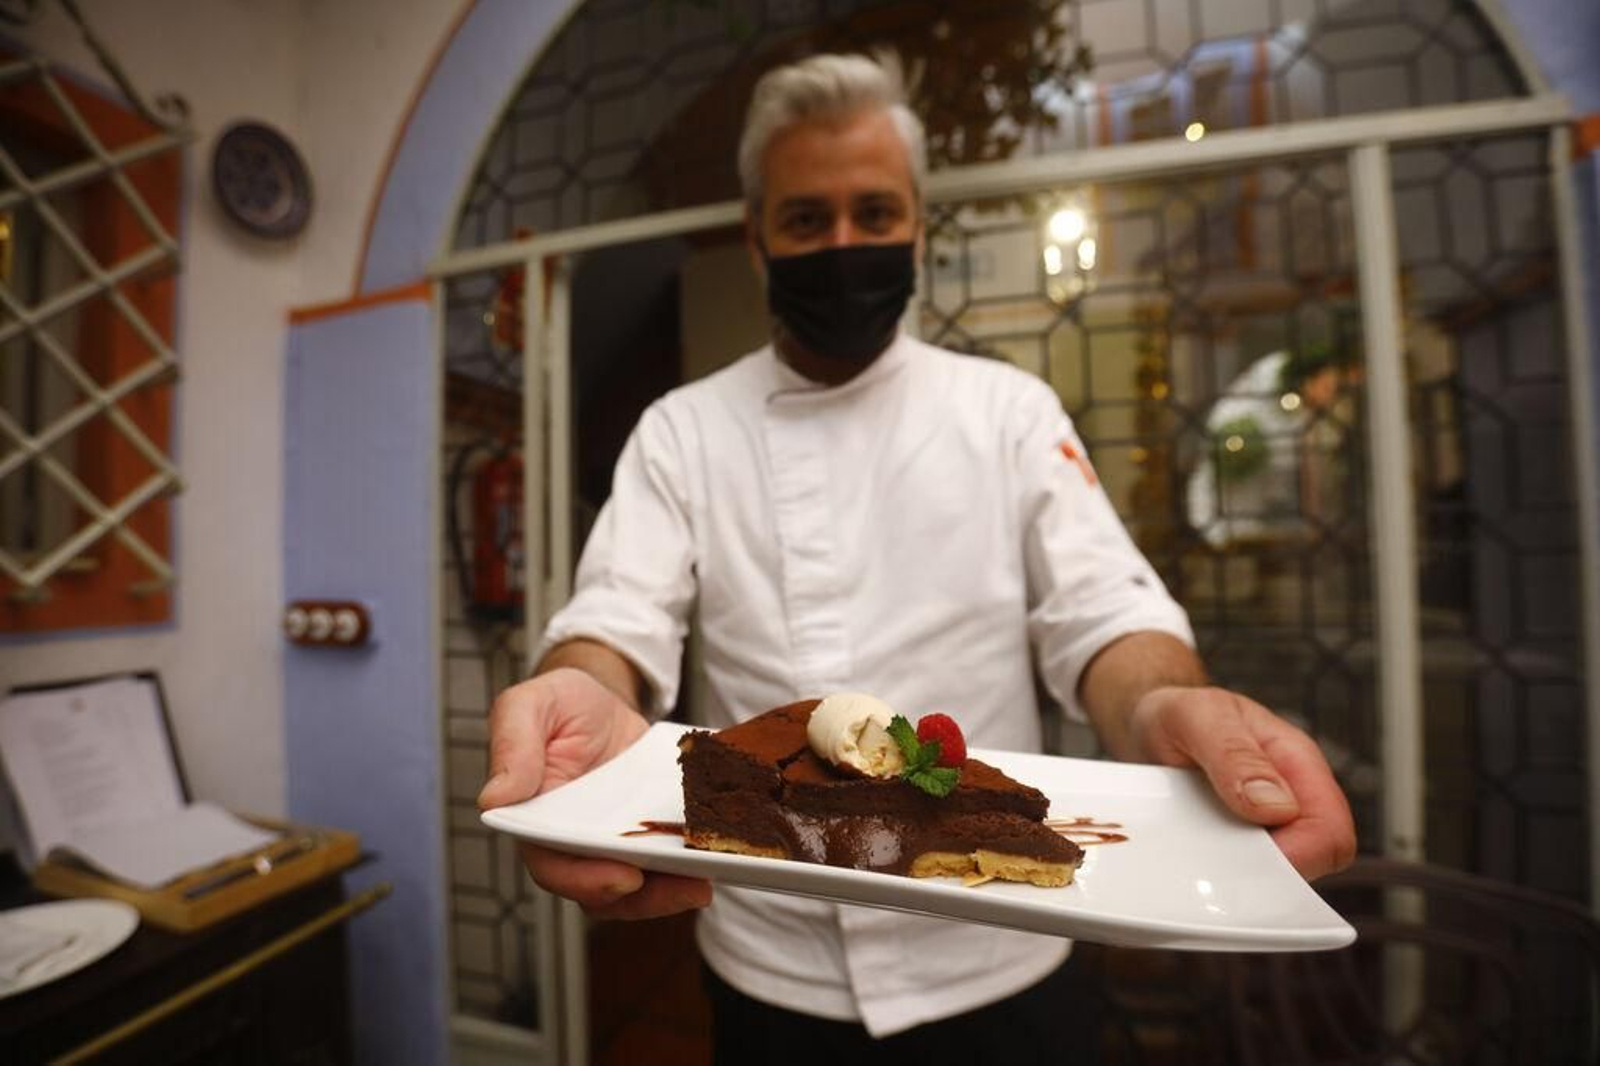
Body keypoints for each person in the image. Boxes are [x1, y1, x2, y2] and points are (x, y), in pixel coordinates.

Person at [478, 51, 1356, 1061]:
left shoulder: (1006, 411)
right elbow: (615, 623)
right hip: (774, 960)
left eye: (874, 214)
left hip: (1004, 940)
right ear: (760, 244)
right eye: (807, 220)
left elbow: (1105, 617)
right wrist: (578, 686)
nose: (843, 243)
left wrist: (1168, 705)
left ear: (916, 232)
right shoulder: (683, 429)